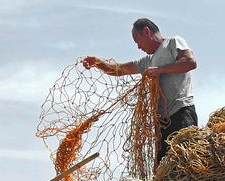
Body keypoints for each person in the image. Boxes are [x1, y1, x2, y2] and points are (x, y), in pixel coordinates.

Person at [82, 18, 198, 167]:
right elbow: (118, 70)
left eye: (137, 41)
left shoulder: (173, 42)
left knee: (183, 162)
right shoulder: (148, 61)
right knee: (163, 169)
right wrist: (98, 63)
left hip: (181, 112)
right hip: (162, 122)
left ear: (146, 32)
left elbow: (190, 62)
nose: (138, 47)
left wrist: (160, 70)